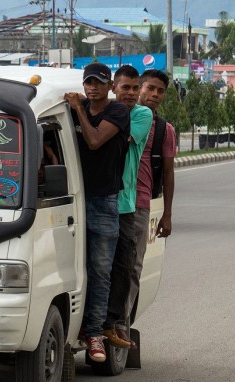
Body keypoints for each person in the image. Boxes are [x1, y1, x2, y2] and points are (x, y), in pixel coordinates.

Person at [64, 62, 130, 362]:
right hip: (72, 200)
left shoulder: (117, 112)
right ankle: (74, 328)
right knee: (70, 269)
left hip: (103, 202)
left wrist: (78, 109)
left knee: (100, 270)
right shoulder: (70, 110)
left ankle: (94, 335)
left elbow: (93, 141)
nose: (93, 87)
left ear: (110, 86)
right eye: (88, 82)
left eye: (99, 83)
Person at [116, 69, 175, 343]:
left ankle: (121, 324)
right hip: (107, 199)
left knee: (132, 266)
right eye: (150, 88)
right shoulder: (116, 112)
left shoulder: (164, 129)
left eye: (160, 91)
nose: (153, 95)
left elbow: (168, 172)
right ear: (138, 87)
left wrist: (167, 215)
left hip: (139, 203)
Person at [103, 65, 153, 348]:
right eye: (126, 88)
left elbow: (114, 140)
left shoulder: (142, 115)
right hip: (98, 199)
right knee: (98, 266)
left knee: (123, 267)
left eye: (136, 88)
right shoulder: (105, 111)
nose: (132, 93)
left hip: (124, 204)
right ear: (114, 87)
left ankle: (116, 323)